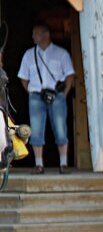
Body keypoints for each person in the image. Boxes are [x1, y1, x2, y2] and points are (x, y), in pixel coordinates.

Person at [17, 22, 75, 174]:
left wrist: (65, 93)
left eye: (36, 33)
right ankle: (38, 164)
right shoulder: (29, 54)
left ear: (46, 34)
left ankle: (63, 164)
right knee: (36, 131)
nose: (33, 36)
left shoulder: (61, 53)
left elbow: (70, 75)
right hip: (36, 96)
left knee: (61, 129)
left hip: (56, 96)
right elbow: (23, 77)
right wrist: (31, 92)